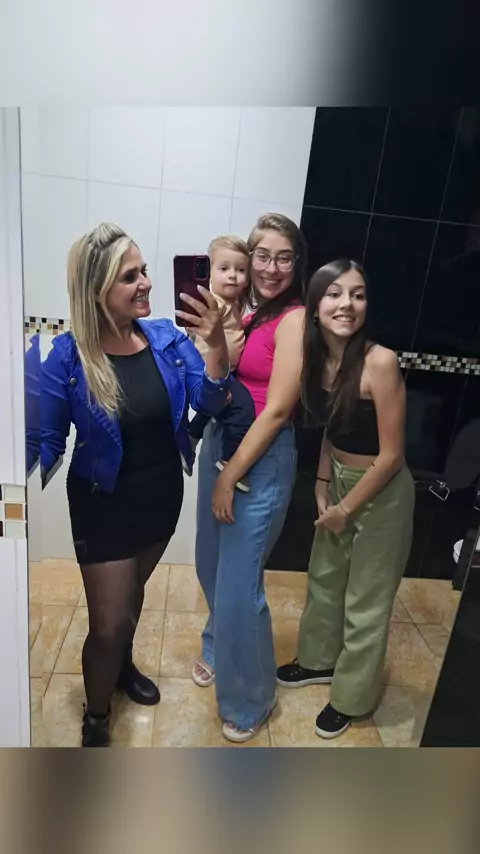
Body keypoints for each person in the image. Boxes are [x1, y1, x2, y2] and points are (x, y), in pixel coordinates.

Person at [40, 222, 230, 747]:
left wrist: (215, 343)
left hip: (160, 495)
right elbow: (45, 438)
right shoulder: (69, 357)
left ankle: (122, 667)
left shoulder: (166, 339)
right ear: (96, 290)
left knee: (131, 596)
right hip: (102, 505)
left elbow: (211, 400)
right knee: (106, 622)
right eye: (130, 276)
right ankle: (97, 715)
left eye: (144, 270)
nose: (146, 282)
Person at [277, 259, 415, 740]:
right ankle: (318, 661)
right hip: (337, 480)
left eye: (357, 295)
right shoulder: (317, 360)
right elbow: (332, 429)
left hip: (382, 493)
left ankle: (351, 698)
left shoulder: (381, 361)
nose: (347, 304)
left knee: (366, 601)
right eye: (335, 294)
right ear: (315, 305)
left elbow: (392, 455)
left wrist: (346, 508)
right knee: (325, 580)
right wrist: (321, 482)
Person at [192, 213, 307, 743]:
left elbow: (279, 408)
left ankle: (251, 698)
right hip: (222, 440)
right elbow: (218, 375)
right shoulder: (248, 312)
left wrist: (228, 476)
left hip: (259, 458)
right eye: (262, 255)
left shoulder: (294, 320)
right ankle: (219, 645)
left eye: (284, 257)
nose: (270, 267)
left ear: (296, 264)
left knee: (240, 587)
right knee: (210, 563)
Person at [188, 235, 255, 492]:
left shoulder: (231, 303)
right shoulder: (214, 304)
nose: (233, 276)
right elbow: (199, 336)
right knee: (243, 410)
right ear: (210, 272)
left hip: (223, 371)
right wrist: (216, 384)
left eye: (240, 270)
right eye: (224, 268)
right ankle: (229, 459)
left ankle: (192, 435)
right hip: (215, 372)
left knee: (209, 411)